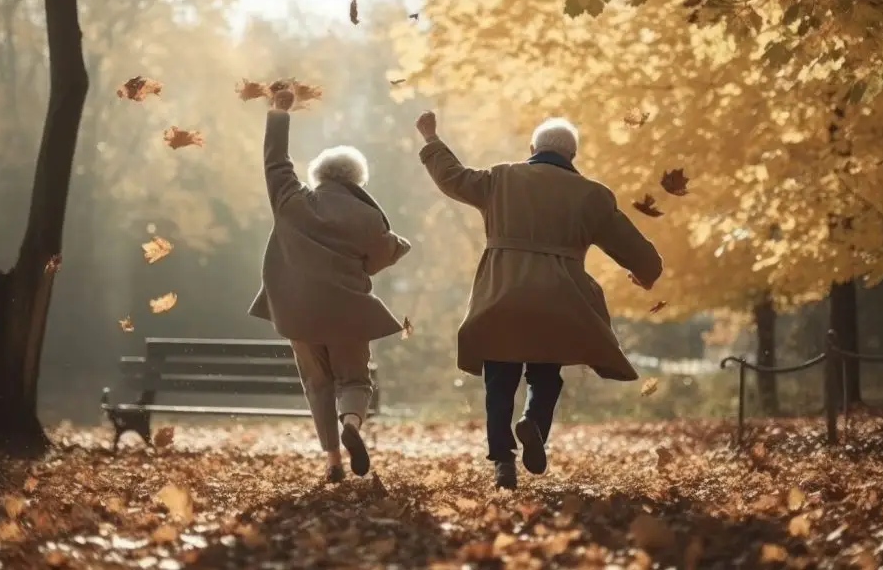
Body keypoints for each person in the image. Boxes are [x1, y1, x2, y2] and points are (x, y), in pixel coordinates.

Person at [414, 110, 663, 490]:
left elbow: (454, 178)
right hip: (559, 300)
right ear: (572, 156)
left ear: (533, 148)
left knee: (499, 380)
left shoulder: (501, 178)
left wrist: (432, 139)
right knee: (545, 374)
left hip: (502, 294)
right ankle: (533, 424)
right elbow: (636, 251)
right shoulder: (592, 195)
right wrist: (644, 275)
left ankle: (502, 462)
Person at [250, 89, 412, 483]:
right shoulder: (370, 220)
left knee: (317, 384)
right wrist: (399, 246)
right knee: (355, 380)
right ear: (358, 181)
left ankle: (334, 462)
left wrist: (278, 113)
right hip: (346, 312)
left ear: (318, 176)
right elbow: (384, 254)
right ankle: (352, 423)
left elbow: (275, 163)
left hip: (297, 313)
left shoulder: (292, 201)